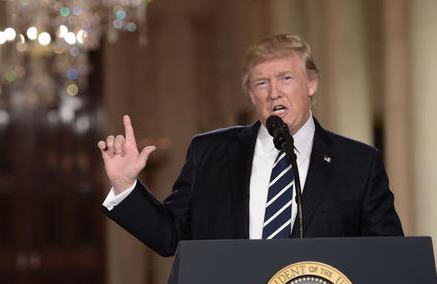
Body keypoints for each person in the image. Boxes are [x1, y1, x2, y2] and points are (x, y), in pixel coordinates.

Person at [97, 33, 403, 257]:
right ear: (250, 94)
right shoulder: (210, 153)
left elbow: (387, 255)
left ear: (311, 84)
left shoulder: (358, 163)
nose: (274, 93)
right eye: (261, 83)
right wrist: (126, 185)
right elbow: (171, 236)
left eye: (285, 78)